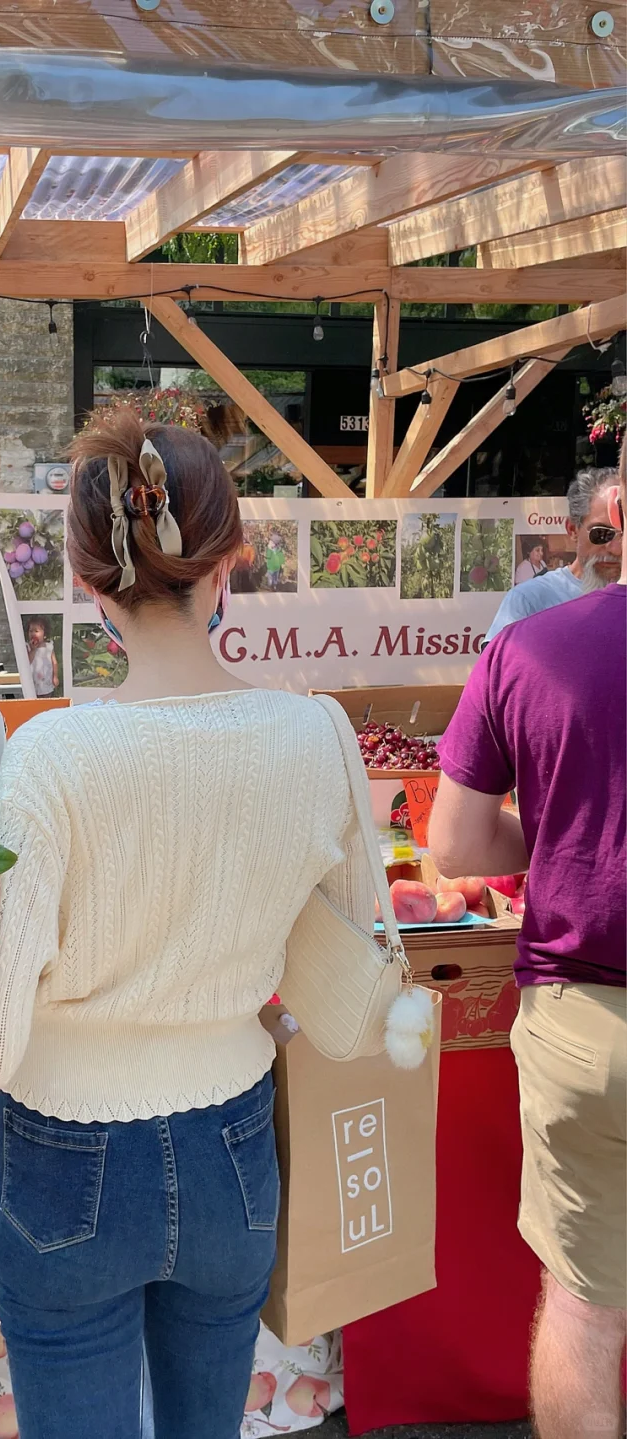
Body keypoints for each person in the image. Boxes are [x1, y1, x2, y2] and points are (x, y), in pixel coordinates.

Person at [0, 410, 373, 1439]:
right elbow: (352, 941)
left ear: (90, 582)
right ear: (227, 562)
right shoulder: (315, 734)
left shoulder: (51, 758)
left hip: (61, 1152)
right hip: (231, 1141)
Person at [428, 459, 625, 1439]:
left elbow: (456, 845)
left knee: (587, 1308)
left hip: (587, 1016)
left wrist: (556, 837)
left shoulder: (535, 647)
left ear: (616, 512)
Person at [487, 468, 621, 641]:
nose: (616, 549)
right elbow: (499, 666)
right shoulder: (530, 600)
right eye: (602, 533)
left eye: (625, 535)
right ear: (572, 529)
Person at [25, 617, 58, 697]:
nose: (33, 634)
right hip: (33, 683)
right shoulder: (28, 647)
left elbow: (54, 662)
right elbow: (27, 663)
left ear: (45, 635)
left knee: (47, 699)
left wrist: (55, 676)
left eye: (36, 631)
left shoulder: (49, 647)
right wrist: (33, 650)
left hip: (46, 681)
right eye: (31, 631)